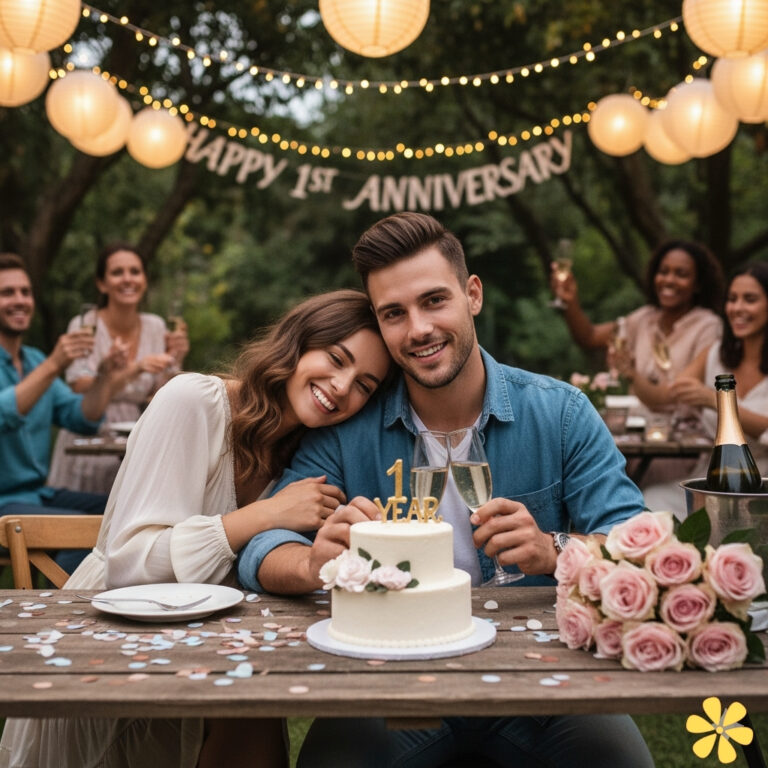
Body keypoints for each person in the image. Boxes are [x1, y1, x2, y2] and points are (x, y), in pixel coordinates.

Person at [237, 213, 653, 768]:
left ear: (471, 295)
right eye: (394, 314)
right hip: (390, 678)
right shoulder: (347, 432)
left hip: (544, 678)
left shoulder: (560, 414)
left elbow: (639, 543)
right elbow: (261, 550)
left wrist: (555, 550)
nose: (418, 329)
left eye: (434, 301)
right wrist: (313, 564)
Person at [0, 288, 392, 768]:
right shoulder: (194, 401)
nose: (342, 386)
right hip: (116, 652)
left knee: (254, 704)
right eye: (336, 358)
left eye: (365, 385)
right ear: (297, 343)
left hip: (215, 656)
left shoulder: (304, 454)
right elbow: (129, 568)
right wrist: (264, 515)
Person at [0, 252, 126, 538]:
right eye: (7, 293)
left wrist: (105, 375)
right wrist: (55, 364)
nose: (20, 300)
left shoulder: (33, 360)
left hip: (37, 495)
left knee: (126, 510)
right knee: (81, 531)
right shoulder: (44, 365)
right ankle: (63, 585)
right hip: (5, 505)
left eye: (25, 292)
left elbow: (82, 417)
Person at [48, 243, 189, 493]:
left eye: (135, 271)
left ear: (144, 279)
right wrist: (135, 369)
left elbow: (158, 395)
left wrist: (175, 360)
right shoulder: (84, 324)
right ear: (101, 283)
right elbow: (80, 387)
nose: (128, 279)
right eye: (117, 272)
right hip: (88, 437)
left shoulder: (156, 326)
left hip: (134, 441)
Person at [643, 262, 768, 516]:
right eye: (732, 299)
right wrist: (631, 373)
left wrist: (715, 400)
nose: (738, 308)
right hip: (713, 482)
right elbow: (667, 395)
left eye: (750, 299)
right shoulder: (715, 354)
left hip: (761, 487)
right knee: (649, 501)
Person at [551, 239, 724, 407]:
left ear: (698, 284)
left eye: (681, 274)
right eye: (663, 272)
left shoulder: (708, 326)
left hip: (686, 432)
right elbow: (589, 337)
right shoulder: (644, 318)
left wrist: (632, 374)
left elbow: (672, 396)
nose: (669, 280)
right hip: (638, 427)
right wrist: (570, 302)